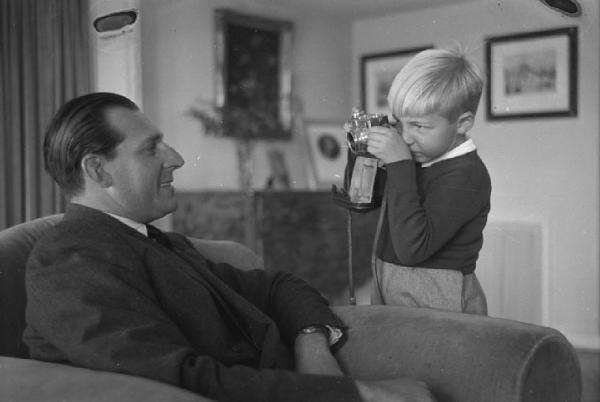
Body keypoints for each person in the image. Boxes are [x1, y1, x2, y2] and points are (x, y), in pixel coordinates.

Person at [23, 92, 435, 402]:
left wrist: (312, 343)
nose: (177, 159)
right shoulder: (68, 260)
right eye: (151, 149)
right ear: (97, 168)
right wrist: (360, 395)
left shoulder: (152, 241)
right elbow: (178, 379)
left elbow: (278, 286)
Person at [366, 47, 491, 314]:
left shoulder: (466, 173)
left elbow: (412, 249)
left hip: (438, 299)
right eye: (399, 123)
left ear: (463, 123)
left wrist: (399, 164)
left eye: (419, 126)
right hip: (393, 287)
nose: (406, 137)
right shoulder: (419, 158)